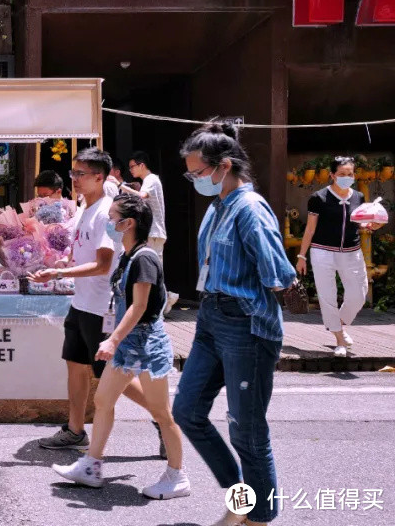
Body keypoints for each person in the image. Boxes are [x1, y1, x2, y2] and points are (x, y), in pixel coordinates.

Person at [173, 122, 296, 526]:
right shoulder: (217, 206)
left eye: (199, 172)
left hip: (245, 324)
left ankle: (258, 516)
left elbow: (278, 273)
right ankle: (242, 498)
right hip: (210, 317)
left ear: (224, 166)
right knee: (187, 410)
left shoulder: (249, 207)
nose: (195, 180)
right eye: (191, 174)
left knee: (247, 431)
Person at [52, 193, 190, 499]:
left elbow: (139, 306)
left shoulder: (144, 258)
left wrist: (112, 339)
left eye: (113, 219)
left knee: (162, 413)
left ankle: (177, 476)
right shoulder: (128, 256)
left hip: (147, 347)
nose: (109, 223)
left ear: (128, 223)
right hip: (127, 344)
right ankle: (92, 466)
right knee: (103, 401)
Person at [30, 149, 163, 457]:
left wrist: (59, 271)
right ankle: (75, 431)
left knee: (112, 377)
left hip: (101, 307)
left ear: (100, 178)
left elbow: (104, 265)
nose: (74, 179)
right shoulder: (83, 209)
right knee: (75, 367)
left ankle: (162, 416)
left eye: (81, 174)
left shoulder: (106, 212)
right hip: (80, 303)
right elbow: (82, 254)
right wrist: (64, 260)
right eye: (73, 173)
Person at [296, 156, 379, 358]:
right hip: (322, 251)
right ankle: (339, 341)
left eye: (350, 174)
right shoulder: (319, 197)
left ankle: (338, 325)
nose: (346, 177)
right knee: (328, 296)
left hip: (352, 252)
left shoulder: (358, 196)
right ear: (332, 175)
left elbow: (357, 223)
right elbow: (310, 228)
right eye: (341, 174)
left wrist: (370, 225)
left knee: (359, 294)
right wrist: (301, 256)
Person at [124, 151, 178, 313]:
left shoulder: (151, 179)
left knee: (153, 272)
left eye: (132, 166)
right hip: (152, 233)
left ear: (142, 165)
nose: (131, 170)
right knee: (152, 271)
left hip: (154, 233)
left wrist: (122, 187)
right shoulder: (149, 180)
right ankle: (166, 299)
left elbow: (142, 196)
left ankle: (161, 308)